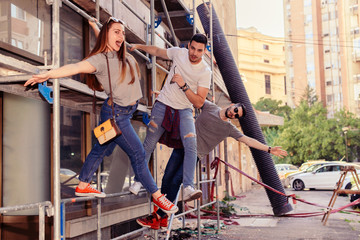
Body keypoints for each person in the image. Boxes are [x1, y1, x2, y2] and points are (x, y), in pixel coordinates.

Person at [24, 17, 178, 214]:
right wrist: (48, 74)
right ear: (108, 34)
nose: (121, 36)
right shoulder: (100, 60)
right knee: (138, 154)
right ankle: (158, 197)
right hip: (118, 116)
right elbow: (75, 67)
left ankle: (82, 183)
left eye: (122, 32)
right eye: (116, 32)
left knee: (100, 149)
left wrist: (95, 27)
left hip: (119, 113)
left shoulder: (120, 55)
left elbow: (104, 39)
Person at [136, 100, 288, 229]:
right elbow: (195, 98)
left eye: (237, 115)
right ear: (232, 105)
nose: (234, 114)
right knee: (167, 178)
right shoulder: (210, 107)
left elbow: (247, 140)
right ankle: (162, 216)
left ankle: (159, 215)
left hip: (194, 155)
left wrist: (268, 149)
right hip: (181, 146)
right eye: (236, 110)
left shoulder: (229, 128)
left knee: (176, 181)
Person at [128, 34, 211, 201]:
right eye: (192, 48)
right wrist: (139, 46)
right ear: (189, 45)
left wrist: (184, 86)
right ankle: (138, 181)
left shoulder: (205, 72)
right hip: (163, 104)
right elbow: (158, 51)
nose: (194, 53)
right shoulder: (179, 53)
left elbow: (199, 102)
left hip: (184, 110)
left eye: (199, 50)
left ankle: (188, 186)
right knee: (149, 143)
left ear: (204, 51)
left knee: (191, 145)